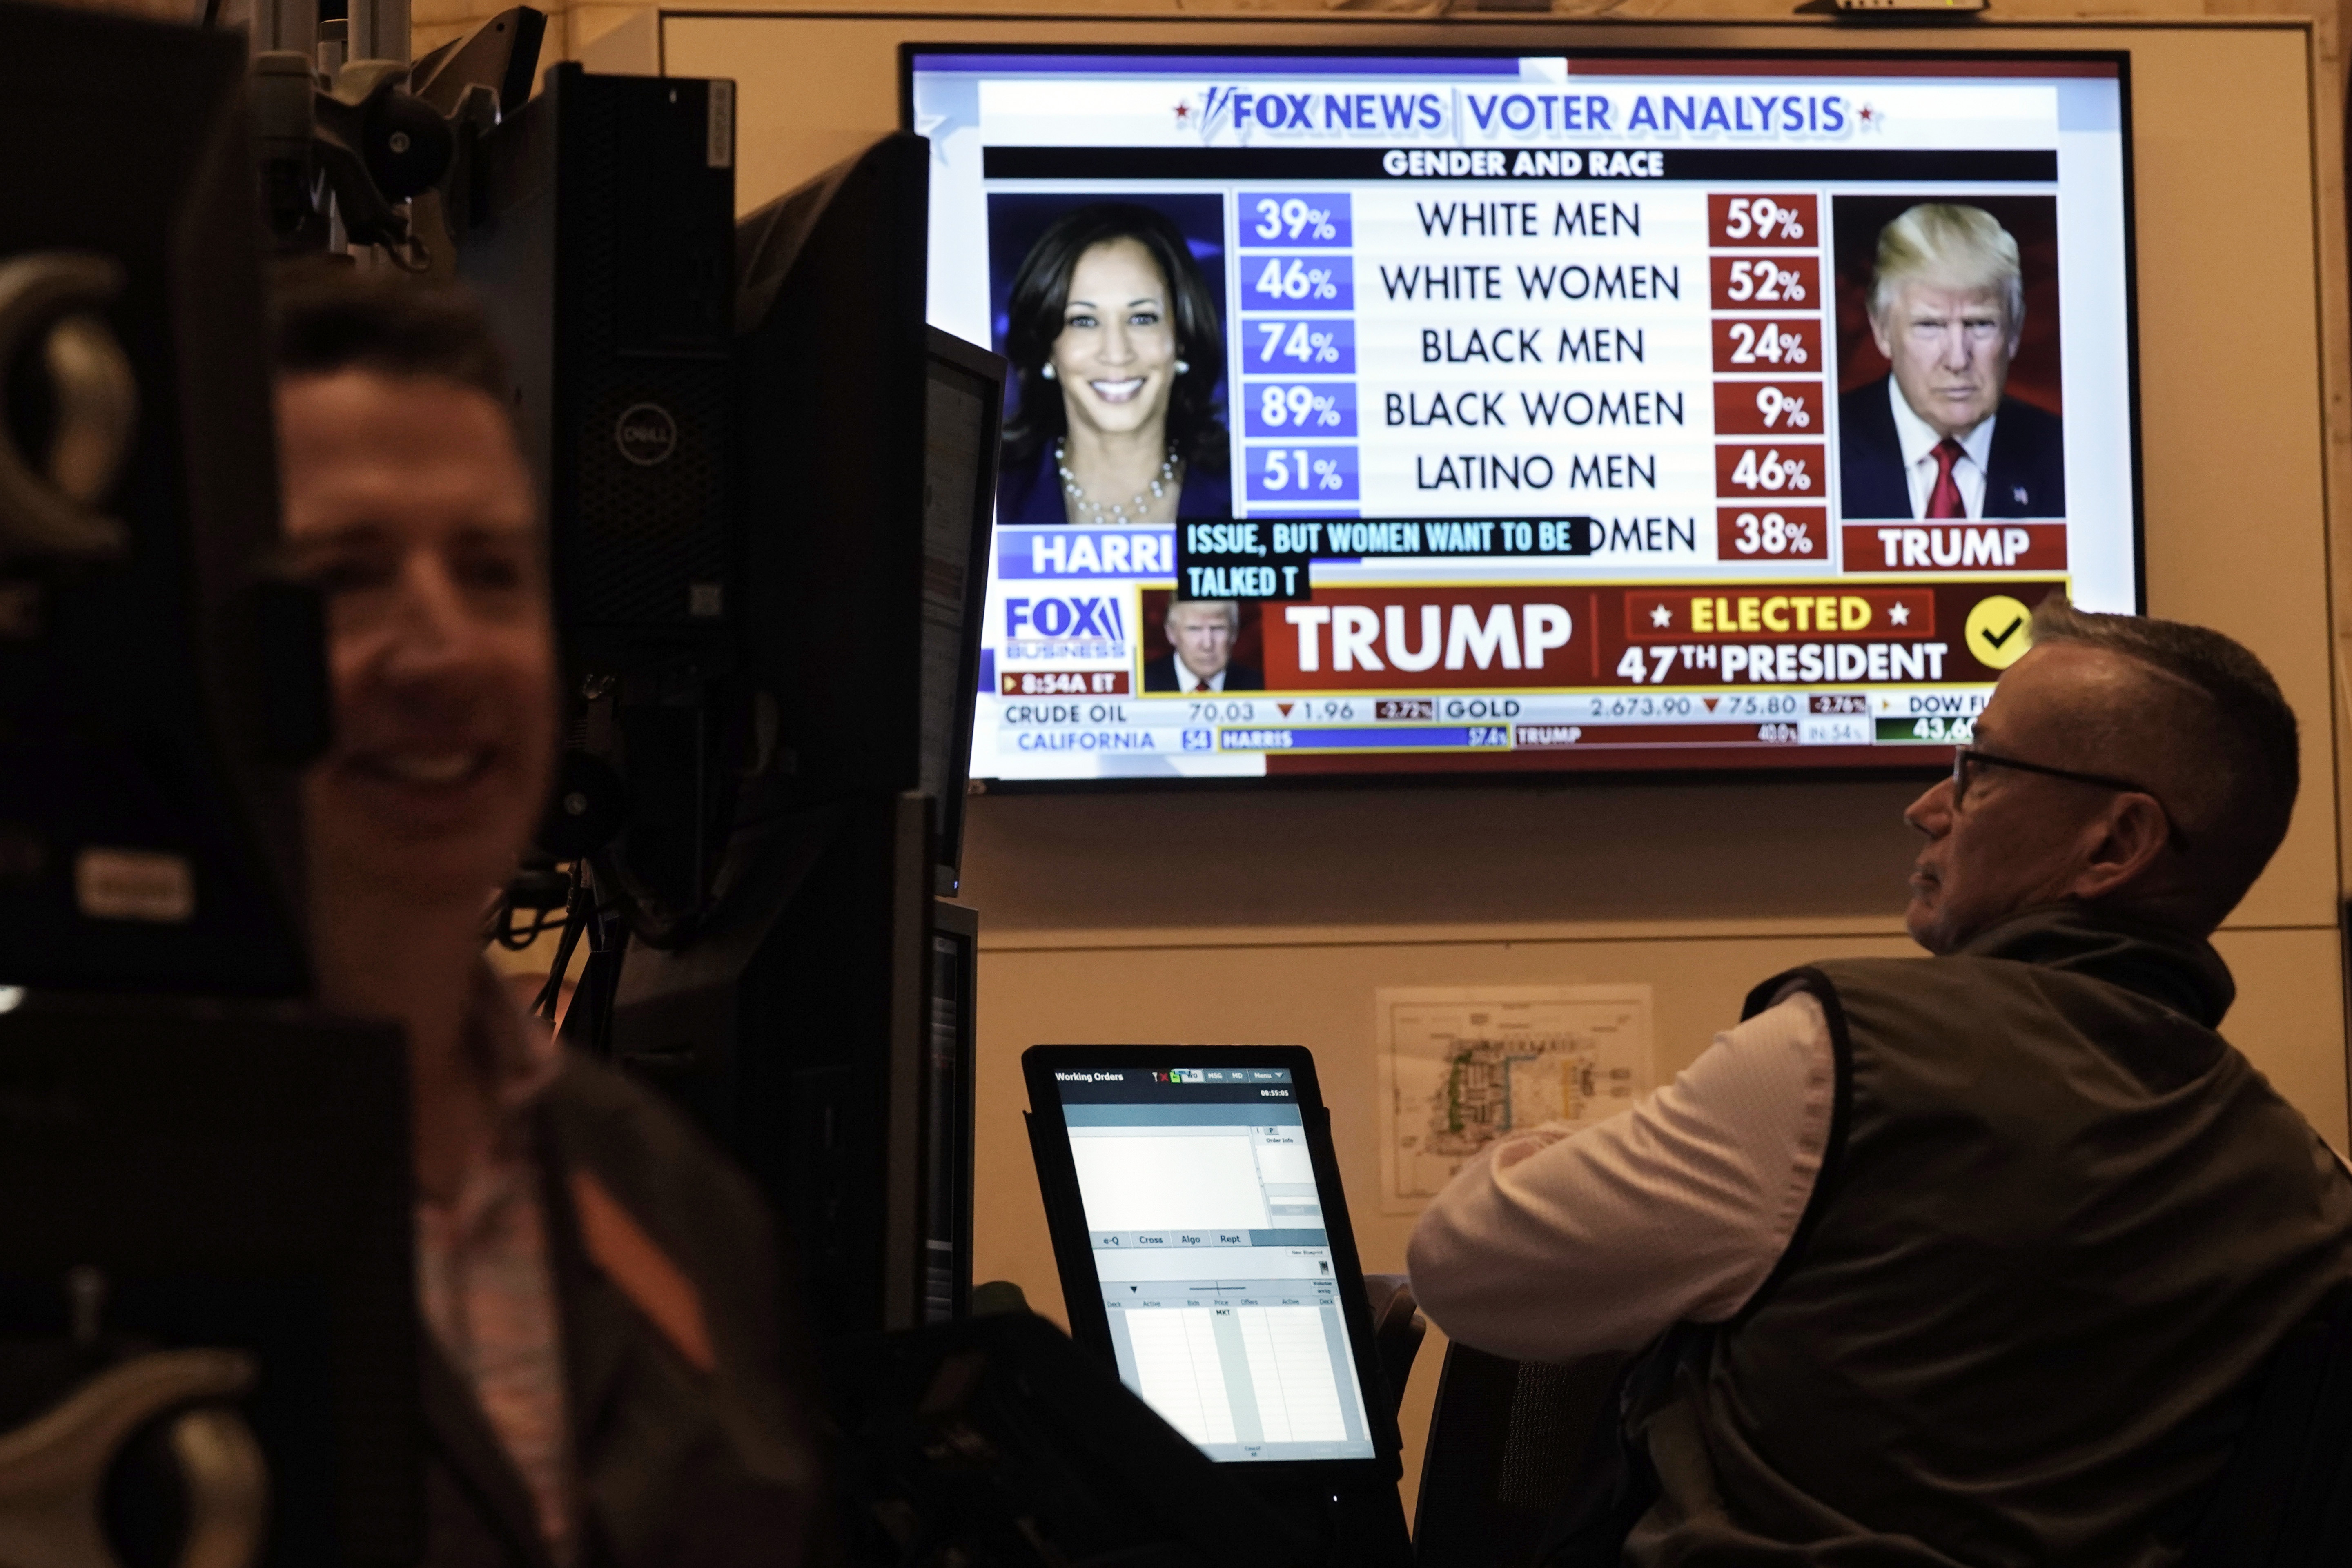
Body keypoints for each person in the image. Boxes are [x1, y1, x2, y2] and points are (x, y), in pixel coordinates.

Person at [1408, 597, 2352, 1565]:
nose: (1926, 806)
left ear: (2113, 843)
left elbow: (1465, 1268)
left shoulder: (1836, 1059)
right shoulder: (2307, 1185)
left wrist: (1570, 1150)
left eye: (1977, 771)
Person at [273, 265, 818, 1568]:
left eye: (492, 570)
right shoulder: (84, 1173)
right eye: (349, 575)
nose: (444, 646)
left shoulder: (670, 1194)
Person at [997, 203, 1231, 526]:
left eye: (1142, 318)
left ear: (1181, 337)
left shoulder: (1246, 491)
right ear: (1048, 348)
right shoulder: (994, 497)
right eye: (1084, 321)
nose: (1117, 353)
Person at [1838, 203, 2066, 520]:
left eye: (1980, 325)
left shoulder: (2066, 456)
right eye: (1930, 326)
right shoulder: (1821, 450)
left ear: (2014, 332)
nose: (1958, 360)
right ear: (1882, 331)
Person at [1143, 598, 1260, 693]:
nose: (1207, 645)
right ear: (1171, 633)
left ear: (1234, 633)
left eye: (1217, 629)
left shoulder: (1260, 687)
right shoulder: (1142, 685)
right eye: (1194, 629)